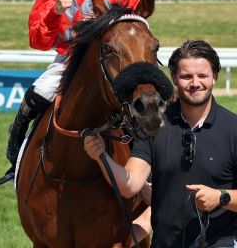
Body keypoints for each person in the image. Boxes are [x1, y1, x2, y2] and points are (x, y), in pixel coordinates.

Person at [5, 0, 140, 177]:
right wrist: (55, 12)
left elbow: (135, 31)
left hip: (113, 60)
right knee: (35, 97)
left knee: (144, 106)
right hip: (70, 59)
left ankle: (151, 171)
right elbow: (37, 39)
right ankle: (16, 162)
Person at [84, 40, 237, 247]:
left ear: (215, 77)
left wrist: (221, 197)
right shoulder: (154, 126)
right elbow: (130, 184)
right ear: (174, 78)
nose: (195, 83)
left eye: (202, 76)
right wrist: (101, 156)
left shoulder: (233, 128)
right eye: (186, 76)